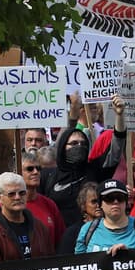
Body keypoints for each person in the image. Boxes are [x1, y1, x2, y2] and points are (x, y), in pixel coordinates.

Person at [42, 95, 128, 226]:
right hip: (61, 239)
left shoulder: (95, 169)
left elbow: (116, 148)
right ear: (62, 148)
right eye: (74, 143)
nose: (79, 147)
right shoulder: (48, 176)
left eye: (83, 144)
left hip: (92, 236)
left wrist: (120, 116)